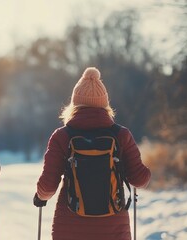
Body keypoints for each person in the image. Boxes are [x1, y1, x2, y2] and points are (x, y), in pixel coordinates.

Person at [33, 67, 151, 240]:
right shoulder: (121, 135)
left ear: (74, 104)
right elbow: (140, 180)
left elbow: (48, 186)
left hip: (70, 227)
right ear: (105, 105)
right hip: (113, 228)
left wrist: (40, 196)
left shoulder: (62, 136)